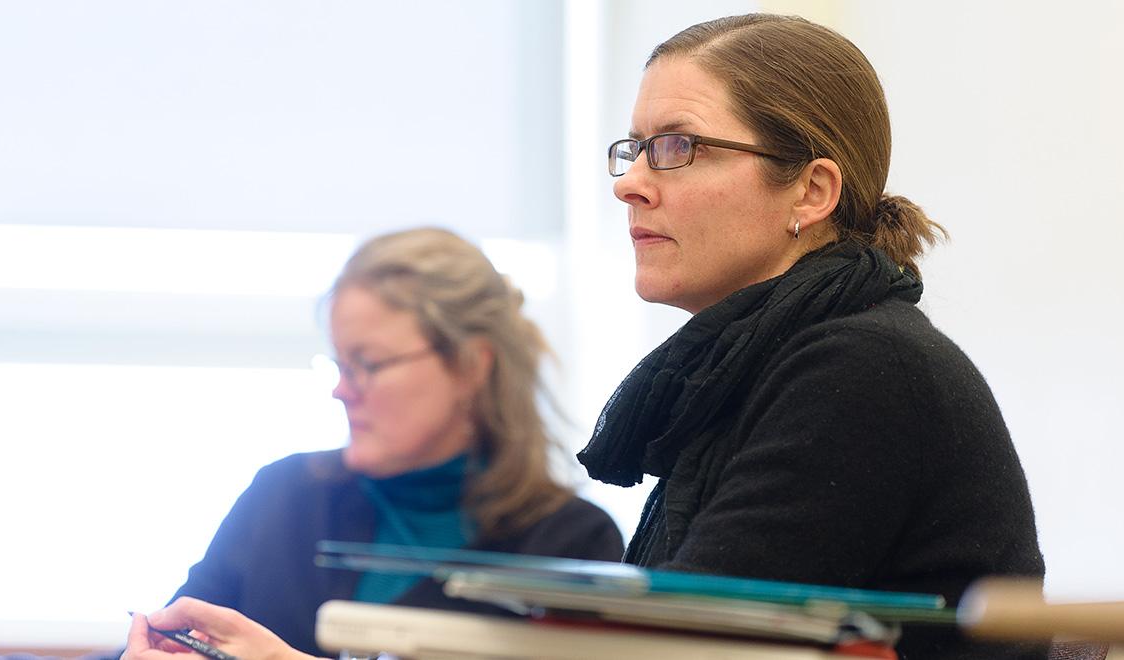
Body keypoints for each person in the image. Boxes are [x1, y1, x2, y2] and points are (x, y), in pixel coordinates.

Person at [125, 13, 1044, 660]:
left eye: (678, 148)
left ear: (810, 190)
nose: (631, 184)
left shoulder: (860, 370)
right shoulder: (752, 372)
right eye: (632, 148)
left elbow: (679, 656)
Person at [127, 227, 624, 657]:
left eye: (368, 364)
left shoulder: (572, 548)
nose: (342, 390)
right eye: (341, 364)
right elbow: (177, 636)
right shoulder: (284, 496)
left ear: (471, 365)